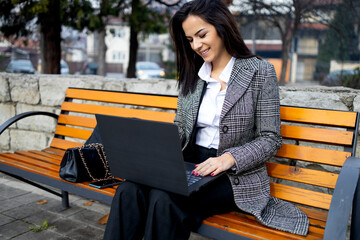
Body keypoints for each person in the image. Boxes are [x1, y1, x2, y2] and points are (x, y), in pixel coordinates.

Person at [103, 0, 309, 239]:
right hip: (190, 164)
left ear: (221, 26)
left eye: (202, 35)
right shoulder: (193, 74)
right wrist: (156, 151)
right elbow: (181, 126)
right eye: (190, 40)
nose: (197, 45)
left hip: (232, 175)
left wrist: (229, 158)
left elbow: (270, 138)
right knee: (129, 189)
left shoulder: (259, 72)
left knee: (165, 199)